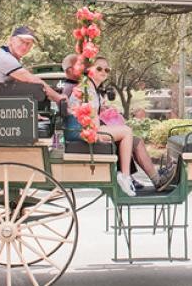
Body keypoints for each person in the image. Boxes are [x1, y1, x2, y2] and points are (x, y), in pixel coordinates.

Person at [65, 55, 173, 196]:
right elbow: (91, 121)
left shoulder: (93, 89)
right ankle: (126, 177)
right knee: (126, 131)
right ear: (89, 69)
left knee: (137, 141)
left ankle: (158, 180)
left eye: (107, 69)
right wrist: (102, 134)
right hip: (82, 131)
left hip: (90, 128)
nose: (103, 71)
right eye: (99, 68)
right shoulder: (87, 90)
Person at [0, 26, 65, 103]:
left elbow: (18, 92)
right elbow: (32, 80)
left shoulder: (6, 56)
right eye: (21, 41)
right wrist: (58, 98)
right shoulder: (5, 58)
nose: (24, 46)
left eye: (28, 44)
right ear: (12, 40)